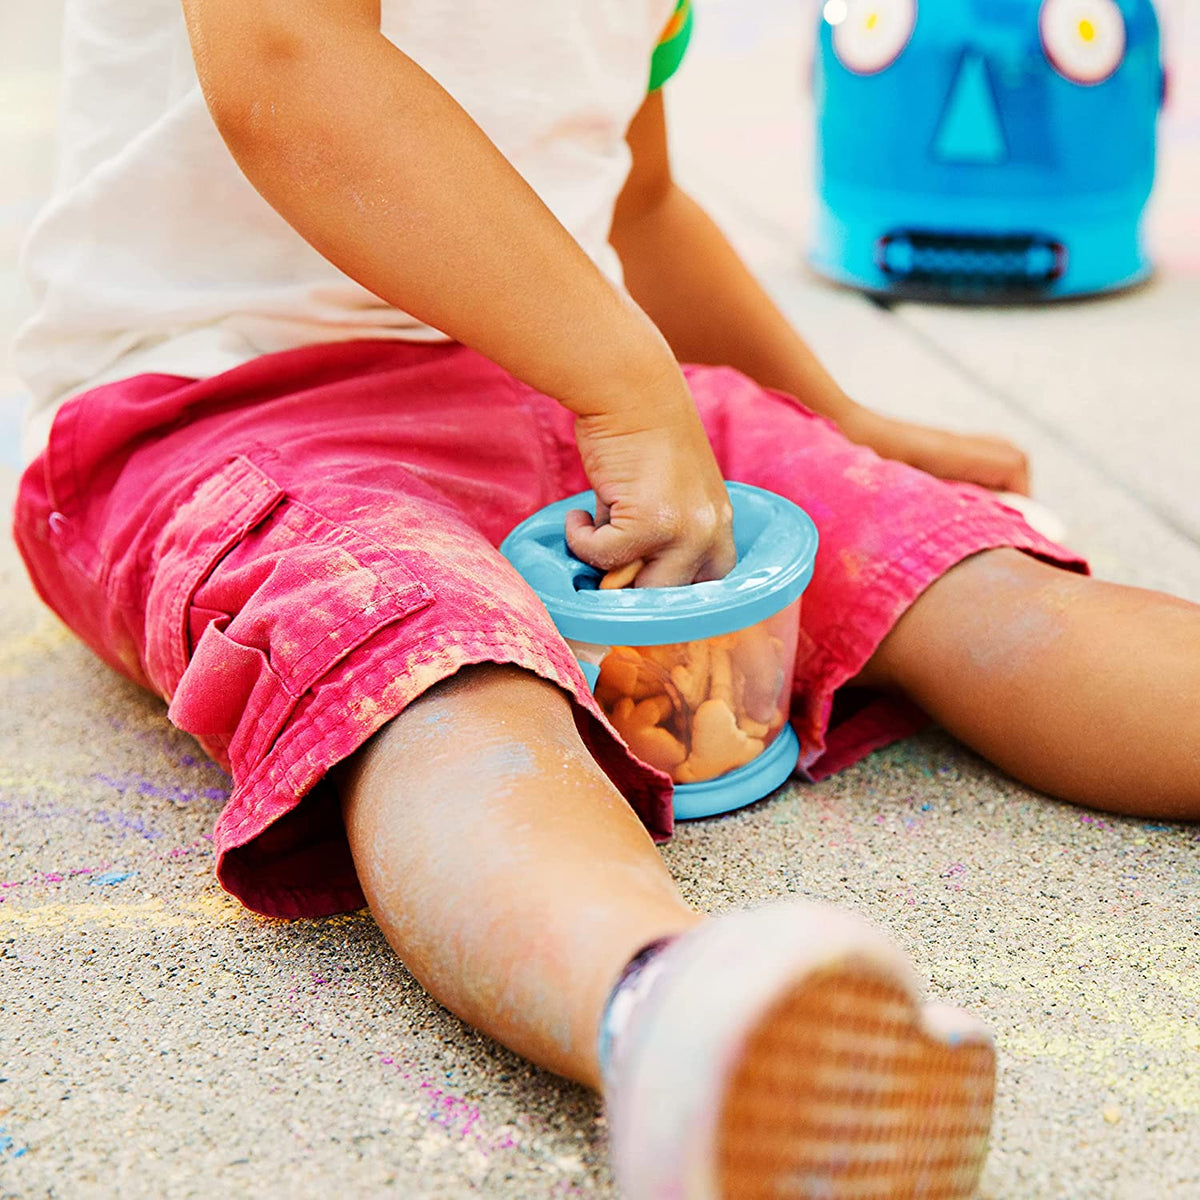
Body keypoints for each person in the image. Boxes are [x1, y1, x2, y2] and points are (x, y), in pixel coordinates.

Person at [11, 0, 1198, 1195]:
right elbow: (287, 60)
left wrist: (838, 427)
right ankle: (677, 1017)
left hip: (571, 385)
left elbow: (635, 200)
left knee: (959, 575)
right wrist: (625, 387)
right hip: (234, 409)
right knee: (443, 692)